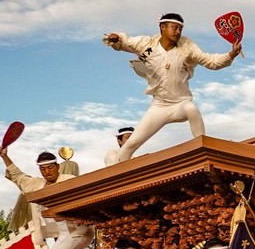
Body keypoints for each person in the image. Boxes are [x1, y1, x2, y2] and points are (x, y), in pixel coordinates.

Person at [104, 13, 242, 162]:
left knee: (191, 109)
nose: (178, 32)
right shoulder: (146, 44)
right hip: (159, 106)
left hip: (180, 104)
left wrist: (231, 54)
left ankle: (204, 151)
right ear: (163, 27)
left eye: (180, 29)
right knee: (132, 143)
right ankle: (117, 171)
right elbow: (125, 41)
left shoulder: (187, 47)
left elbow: (210, 61)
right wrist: (115, 38)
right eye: (174, 27)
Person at [0, 147, 94, 249]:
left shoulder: (69, 180)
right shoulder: (37, 185)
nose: (47, 172)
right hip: (64, 233)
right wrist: (5, 156)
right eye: (43, 169)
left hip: (79, 230)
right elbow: (18, 176)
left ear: (58, 167)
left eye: (50, 167)